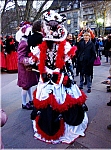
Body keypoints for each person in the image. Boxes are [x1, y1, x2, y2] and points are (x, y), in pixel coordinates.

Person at [29, 10, 88, 144]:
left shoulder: (65, 46)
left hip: (60, 79)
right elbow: (37, 61)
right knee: (46, 103)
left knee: (63, 103)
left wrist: (64, 75)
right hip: (46, 80)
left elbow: (66, 62)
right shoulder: (41, 48)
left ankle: (64, 127)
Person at [16, 21, 39, 110]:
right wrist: (29, 60)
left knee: (28, 85)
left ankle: (30, 100)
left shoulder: (27, 41)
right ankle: (24, 103)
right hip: (24, 68)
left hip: (28, 67)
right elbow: (20, 57)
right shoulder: (23, 42)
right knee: (25, 86)